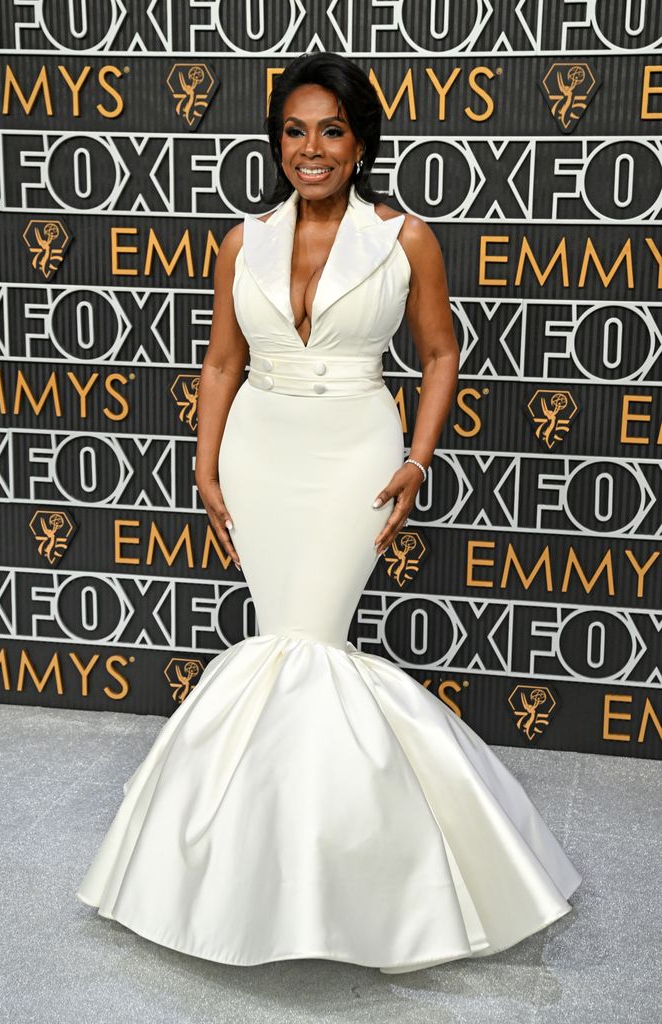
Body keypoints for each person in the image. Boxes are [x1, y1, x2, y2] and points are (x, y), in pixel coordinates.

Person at [76, 53, 581, 973]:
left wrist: (417, 460)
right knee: (283, 645)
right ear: (277, 144)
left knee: (311, 646)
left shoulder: (404, 239)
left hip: (354, 449)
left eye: (331, 131)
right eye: (294, 131)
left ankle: (354, 881)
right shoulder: (244, 240)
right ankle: (263, 878)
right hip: (261, 451)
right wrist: (205, 464)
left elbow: (438, 354)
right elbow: (223, 362)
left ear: (361, 143)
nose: (311, 150)